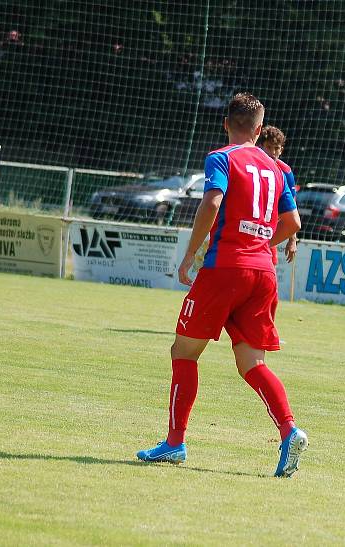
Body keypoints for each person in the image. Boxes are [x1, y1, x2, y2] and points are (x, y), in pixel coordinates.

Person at [137, 93, 308, 477]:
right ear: (260, 129)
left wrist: (189, 255)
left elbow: (212, 204)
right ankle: (289, 430)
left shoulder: (222, 157)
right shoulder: (277, 169)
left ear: (226, 123)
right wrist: (262, 243)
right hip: (263, 274)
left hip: (224, 269)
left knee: (183, 352)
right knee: (252, 363)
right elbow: (293, 223)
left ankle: (175, 443)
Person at [260, 125, 299, 263]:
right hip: (247, 229)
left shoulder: (286, 172)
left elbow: (291, 208)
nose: (272, 152)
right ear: (261, 147)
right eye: (269, 147)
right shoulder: (252, 164)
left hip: (268, 233)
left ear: (281, 150)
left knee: (268, 269)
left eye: (276, 148)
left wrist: (292, 240)